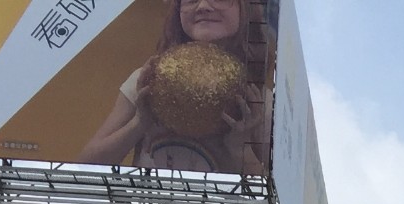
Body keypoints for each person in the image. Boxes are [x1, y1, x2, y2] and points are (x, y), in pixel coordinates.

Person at [81, 0, 274, 175]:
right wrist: (139, 123)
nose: (203, 6)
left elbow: (277, 194)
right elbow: (85, 167)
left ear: (246, 8)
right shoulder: (145, 84)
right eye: (190, 0)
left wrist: (240, 147)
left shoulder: (257, 103)